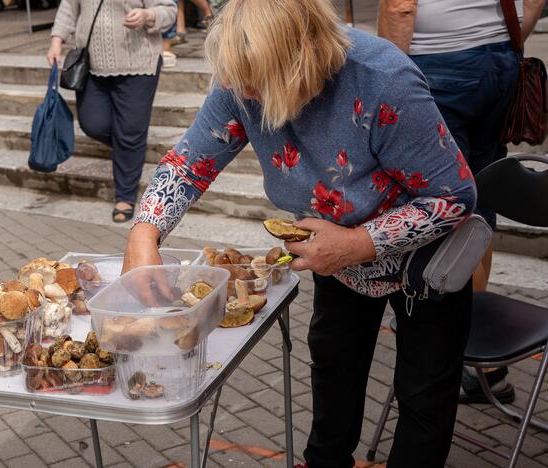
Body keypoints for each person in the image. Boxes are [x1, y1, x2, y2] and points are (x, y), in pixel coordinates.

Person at [122, 0, 477, 466]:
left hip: (424, 265)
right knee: (334, 374)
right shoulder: (240, 76)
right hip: (334, 257)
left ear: (297, 65)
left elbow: (454, 196)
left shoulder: (382, 79)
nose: (233, 88)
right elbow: (189, 163)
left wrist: (356, 243)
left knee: (423, 398)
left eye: (251, 81)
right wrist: (144, 234)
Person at [379, 0, 546, 405]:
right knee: (478, 198)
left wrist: (388, 77)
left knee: (440, 206)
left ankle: (446, 353)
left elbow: (399, 6)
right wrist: (501, 42)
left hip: (438, 67)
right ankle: (485, 366)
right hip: (498, 62)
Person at [47, 0, 177, 222]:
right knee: (92, 124)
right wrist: (56, 41)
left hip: (139, 65)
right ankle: (130, 149)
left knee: (130, 133)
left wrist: (148, 15)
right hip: (92, 66)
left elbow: (169, 10)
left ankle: (125, 197)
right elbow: (68, 7)